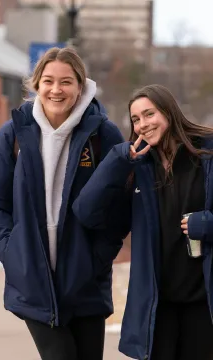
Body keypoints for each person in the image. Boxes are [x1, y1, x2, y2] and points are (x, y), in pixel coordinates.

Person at [0, 47, 124, 360]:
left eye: (66, 82)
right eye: (48, 81)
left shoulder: (103, 134)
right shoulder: (14, 133)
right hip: (34, 281)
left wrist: (97, 257)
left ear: (81, 86)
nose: (57, 89)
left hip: (86, 283)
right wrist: (12, 252)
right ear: (36, 85)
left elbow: (120, 206)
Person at [72, 84, 213, 360]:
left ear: (169, 113)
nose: (143, 125)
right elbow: (86, 211)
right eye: (136, 119)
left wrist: (209, 225)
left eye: (149, 114)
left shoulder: (206, 154)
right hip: (157, 305)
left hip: (204, 303)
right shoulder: (137, 167)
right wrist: (117, 159)